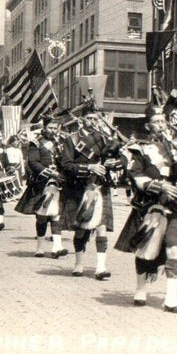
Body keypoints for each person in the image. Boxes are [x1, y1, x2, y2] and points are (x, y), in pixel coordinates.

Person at [115, 104, 177, 313]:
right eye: (156, 122)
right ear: (148, 126)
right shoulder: (139, 148)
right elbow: (135, 175)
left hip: (172, 207)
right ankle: (140, 288)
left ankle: (171, 298)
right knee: (143, 250)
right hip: (148, 206)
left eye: (163, 121)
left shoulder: (176, 147)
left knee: (173, 248)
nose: (161, 125)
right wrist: (159, 185)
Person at [60, 108, 124, 278]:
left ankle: (101, 267)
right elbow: (66, 165)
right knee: (81, 229)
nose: (93, 121)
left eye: (95, 119)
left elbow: (121, 160)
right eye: (89, 118)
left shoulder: (104, 139)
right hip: (80, 187)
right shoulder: (71, 139)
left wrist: (113, 163)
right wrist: (89, 167)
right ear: (82, 119)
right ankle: (79, 263)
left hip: (99, 187)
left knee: (101, 226)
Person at [15, 118, 68, 258]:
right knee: (42, 216)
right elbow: (33, 163)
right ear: (44, 128)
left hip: (59, 183)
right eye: (50, 128)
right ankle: (40, 247)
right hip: (42, 183)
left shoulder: (60, 143)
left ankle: (57, 246)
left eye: (56, 128)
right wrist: (51, 173)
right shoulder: (36, 142)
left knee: (56, 214)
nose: (53, 130)